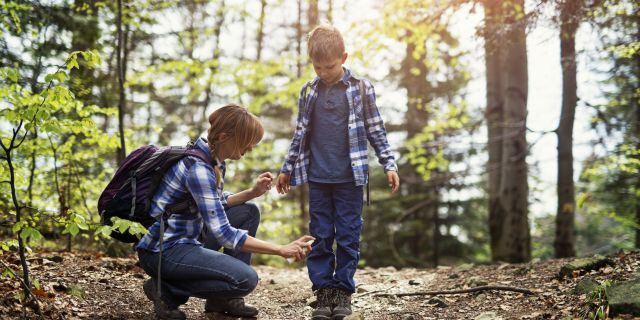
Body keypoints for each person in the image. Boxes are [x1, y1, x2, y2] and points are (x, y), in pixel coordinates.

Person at [136, 104, 314, 320]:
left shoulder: (213, 160)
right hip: (164, 250)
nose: (250, 148)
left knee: (248, 212)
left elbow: (216, 203)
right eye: (247, 142)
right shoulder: (199, 169)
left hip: (188, 238)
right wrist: (281, 249)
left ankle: (222, 300)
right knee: (245, 279)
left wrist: (252, 192)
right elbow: (225, 234)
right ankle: (167, 291)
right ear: (223, 137)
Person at [276, 24, 400, 320]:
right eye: (317, 67)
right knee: (319, 234)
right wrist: (287, 168)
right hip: (317, 178)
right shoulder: (309, 92)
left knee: (347, 234)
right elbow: (300, 134)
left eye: (329, 66)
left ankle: (343, 289)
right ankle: (323, 291)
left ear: (343, 57)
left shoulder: (360, 88)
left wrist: (389, 163)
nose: (323, 72)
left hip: (350, 180)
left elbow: (375, 129)